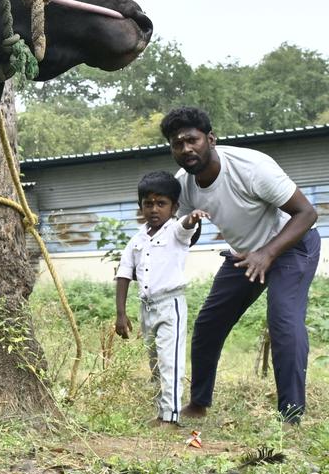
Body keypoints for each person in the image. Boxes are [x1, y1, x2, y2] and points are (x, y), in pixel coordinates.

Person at [161, 106, 321, 423]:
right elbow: (185, 234)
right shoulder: (185, 183)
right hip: (245, 254)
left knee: (283, 321)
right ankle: (198, 403)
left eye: (192, 140)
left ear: (210, 139)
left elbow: (307, 213)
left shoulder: (252, 168)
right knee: (209, 323)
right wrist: (186, 227)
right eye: (177, 144)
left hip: (293, 245)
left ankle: (291, 415)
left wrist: (268, 253)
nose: (186, 149)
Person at [115, 171, 207, 425]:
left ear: (174, 207)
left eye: (161, 203)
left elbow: (186, 226)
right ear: (140, 206)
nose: (154, 209)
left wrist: (193, 217)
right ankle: (161, 412)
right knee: (155, 363)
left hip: (171, 305)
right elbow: (124, 273)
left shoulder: (175, 232)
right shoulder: (137, 240)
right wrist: (121, 314)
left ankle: (171, 417)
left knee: (170, 361)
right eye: (148, 203)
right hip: (147, 308)